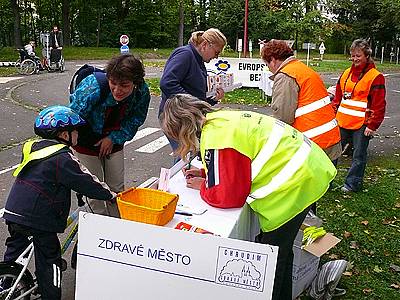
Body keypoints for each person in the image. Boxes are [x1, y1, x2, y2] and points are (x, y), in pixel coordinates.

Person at [160, 94, 337, 300]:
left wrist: (203, 186)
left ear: (182, 130)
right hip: (308, 168)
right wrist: (208, 174)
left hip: (297, 183)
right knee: (282, 252)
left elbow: (228, 196)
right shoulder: (221, 121)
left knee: (272, 261)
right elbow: (236, 163)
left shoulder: (216, 137)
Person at [2, 106, 116, 300]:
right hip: (40, 219)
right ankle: (50, 296)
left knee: (15, 250)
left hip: (15, 212)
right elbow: (85, 180)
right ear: (65, 134)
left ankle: (6, 284)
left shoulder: (32, 148)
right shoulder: (62, 158)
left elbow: (44, 178)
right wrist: (110, 195)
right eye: (76, 131)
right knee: (49, 260)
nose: (78, 135)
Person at [69, 54, 150, 216]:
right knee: (95, 190)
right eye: (113, 83)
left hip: (115, 138)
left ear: (135, 83)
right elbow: (72, 117)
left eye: (124, 85)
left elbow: (136, 118)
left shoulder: (142, 92)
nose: (117, 90)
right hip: (85, 141)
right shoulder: (93, 86)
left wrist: (113, 138)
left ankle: (117, 225)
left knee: (116, 189)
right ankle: (99, 226)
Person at [261, 39, 341, 163]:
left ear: (273, 60)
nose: (269, 69)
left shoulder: (286, 76)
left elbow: (283, 117)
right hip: (329, 139)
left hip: (312, 144)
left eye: (267, 64)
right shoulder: (301, 69)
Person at [159, 28, 227, 151]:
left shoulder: (197, 59)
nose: (216, 57)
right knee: (185, 157)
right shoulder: (185, 55)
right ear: (205, 45)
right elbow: (167, 83)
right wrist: (192, 104)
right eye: (216, 52)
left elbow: (195, 94)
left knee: (189, 155)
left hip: (186, 117)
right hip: (177, 118)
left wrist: (213, 99)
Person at [332, 39, 386, 192]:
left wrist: (372, 125)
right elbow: (338, 97)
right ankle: (326, 182)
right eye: (353, 56)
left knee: (359, 155)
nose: (355, 59)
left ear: (367, 56)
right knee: (333, 151)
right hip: (341, 121)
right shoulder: (346, 74)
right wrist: (333, 115)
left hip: (361, 125)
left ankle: (352, 184)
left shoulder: (375, 76)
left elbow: (379, 104)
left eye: (358, 56)